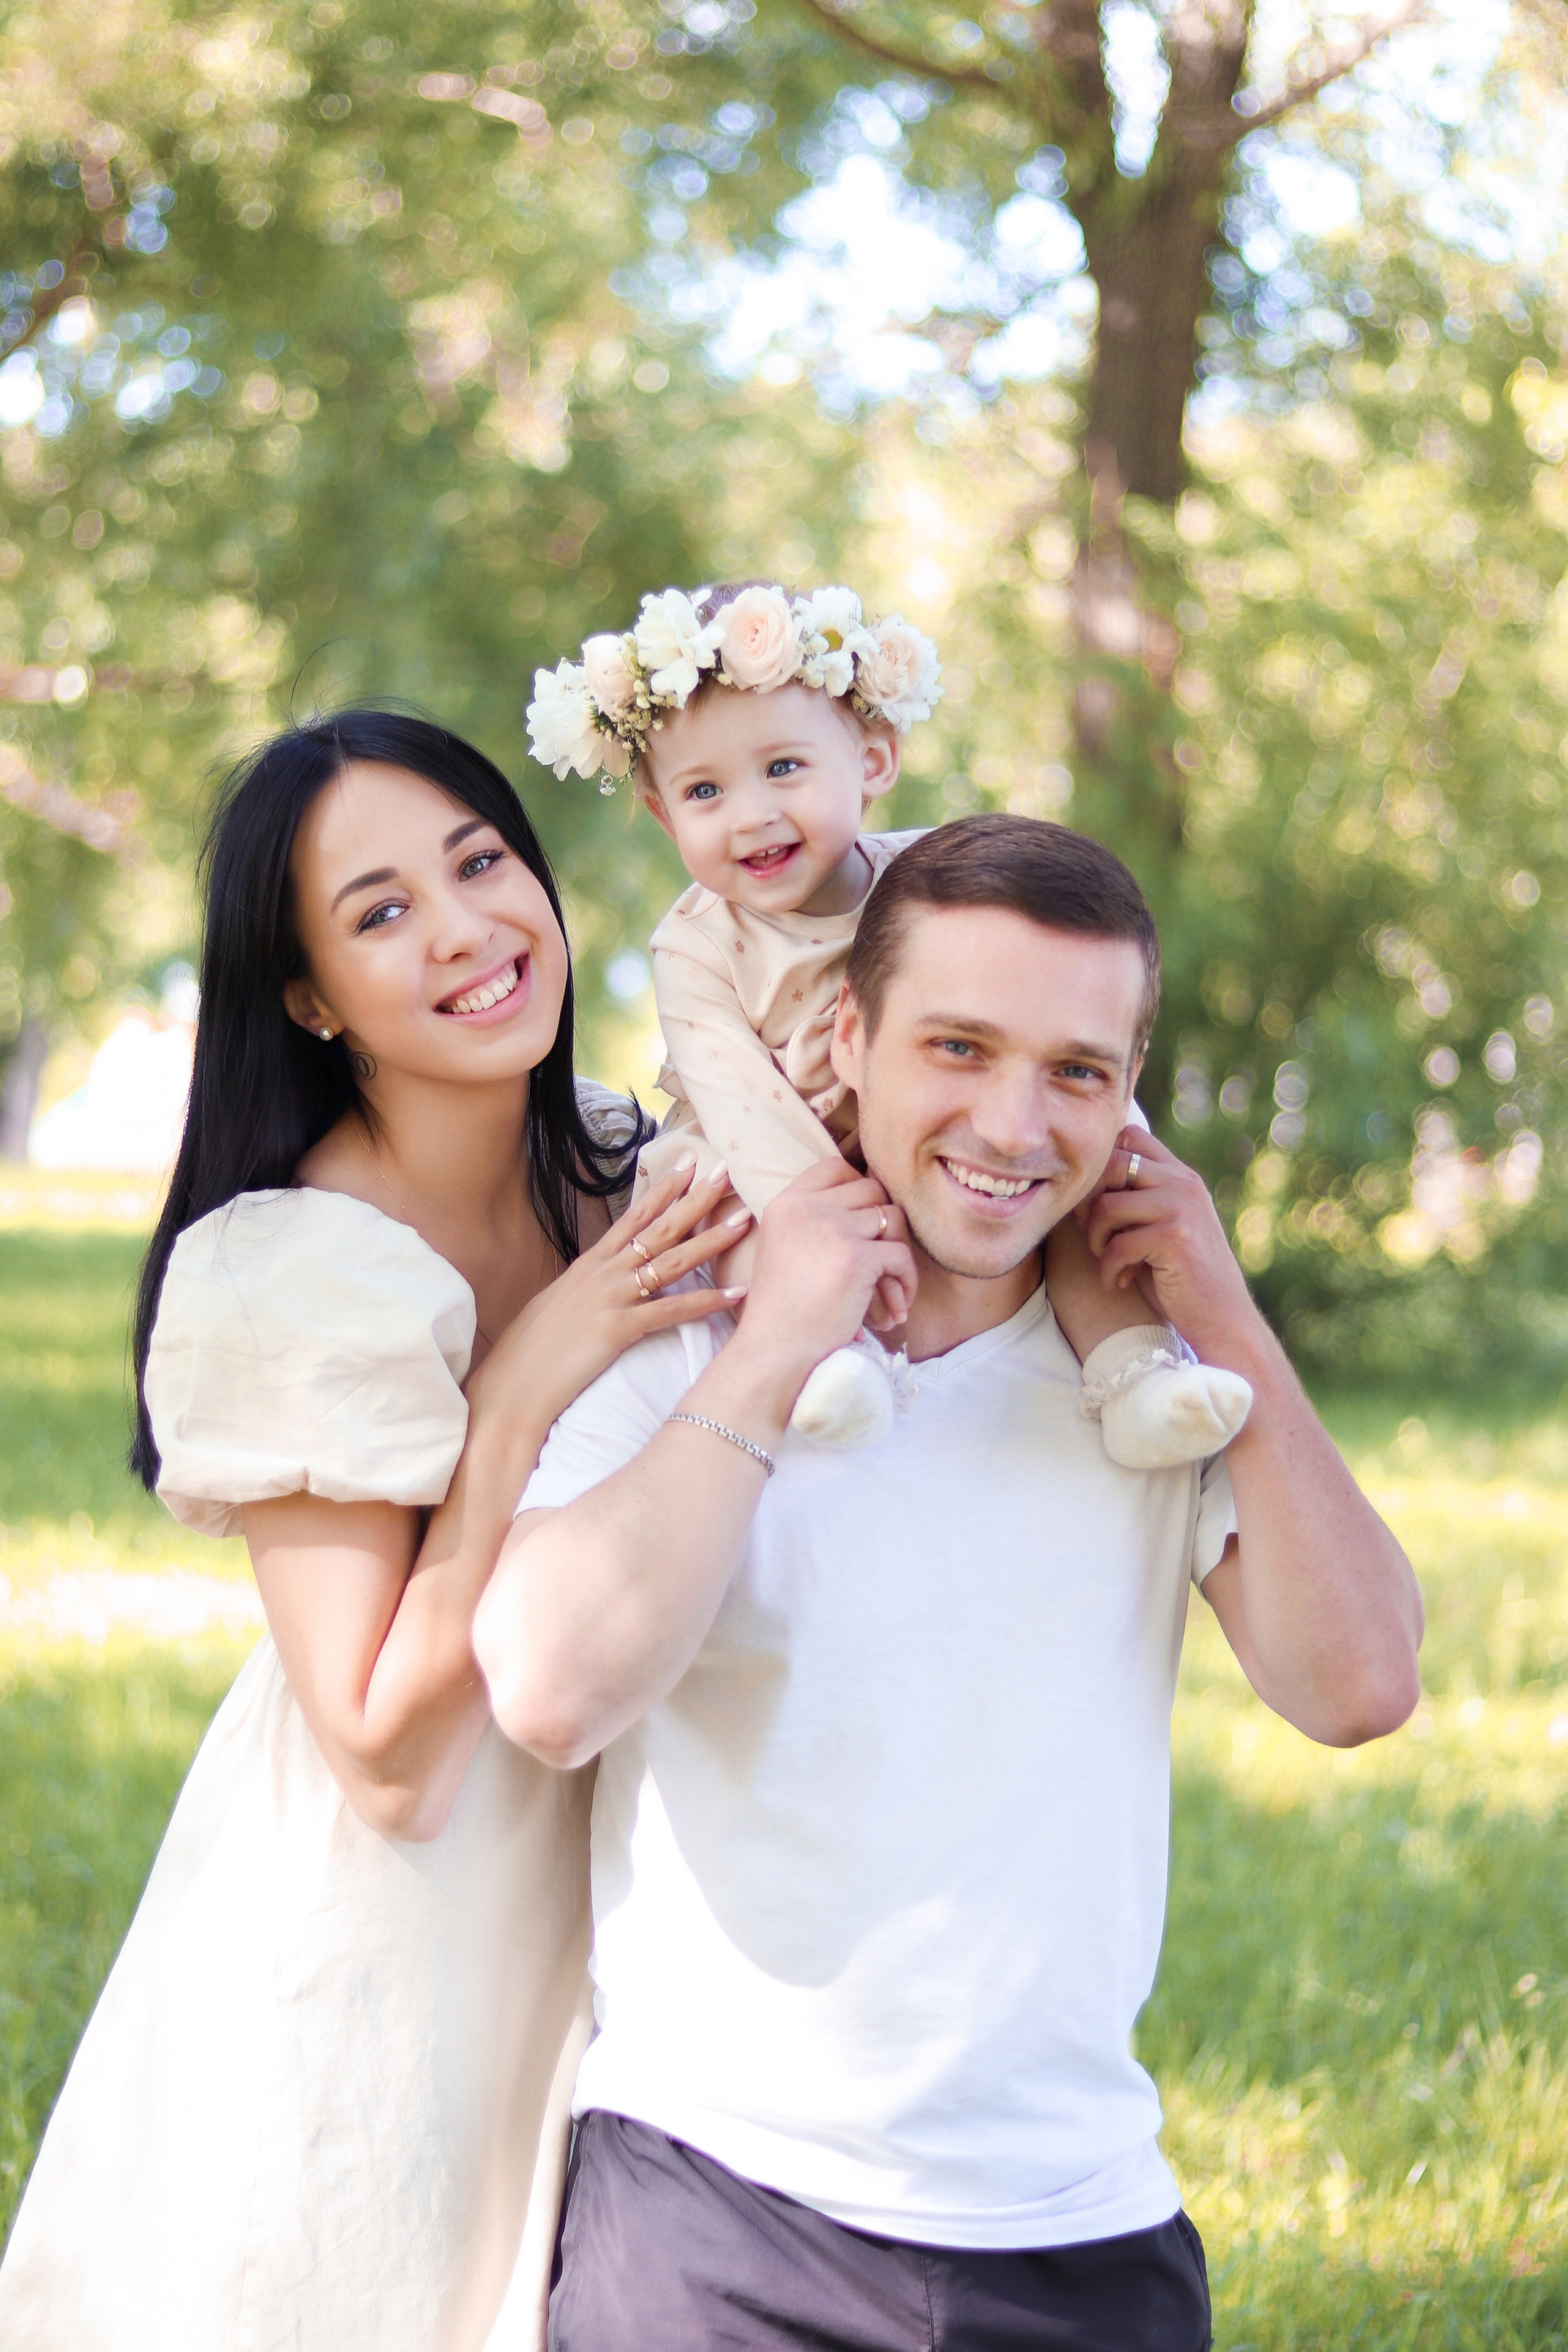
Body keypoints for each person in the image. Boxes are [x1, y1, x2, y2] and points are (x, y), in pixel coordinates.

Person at [474, 813, 1423, 2352]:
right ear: (846, 1040)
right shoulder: (688, 1336)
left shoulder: (1152, 1387)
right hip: (717, 2217)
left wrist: (1229, 1322)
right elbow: (548, 1688)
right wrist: (777, 1350)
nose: (1011, 1124)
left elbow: (1358, 1686)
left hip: (1076, 2233)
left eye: (1076, 1072)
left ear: (1129, 1087)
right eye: (958, 1047)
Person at [0, 712, 747, 2352]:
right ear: (310, 997)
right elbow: (389, 1764)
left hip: (643, 1902)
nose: (467, 929)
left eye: (481, 863)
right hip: (384, 1942)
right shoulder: (298, 1267)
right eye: (384, 910)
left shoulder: (633, 1170)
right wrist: (524, 1383)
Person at [526, 579, 1250, 1467]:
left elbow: (1046, 1019)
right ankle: (833, 1360)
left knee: (1077, 1204)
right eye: (704, 790)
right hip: (772, 1152)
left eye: (783, 769)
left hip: (918, 1124)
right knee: (737, 1225)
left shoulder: (932, 878)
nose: (752, 815)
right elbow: (739, 1098)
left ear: (872, 761)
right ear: (662, 814)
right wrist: (828, 1217)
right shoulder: (695, 946)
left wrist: (1115, 1147)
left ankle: (1137, 1376)